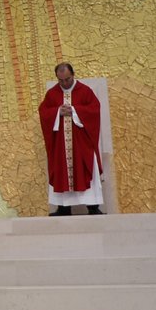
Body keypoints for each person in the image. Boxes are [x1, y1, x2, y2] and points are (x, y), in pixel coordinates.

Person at [38, 63, 104, 215]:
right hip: (61, 146)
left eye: (67, 79)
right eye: (61, 80)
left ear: (73, 75)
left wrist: (74, 110)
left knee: (86, 170)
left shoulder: (85, 91)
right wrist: (57, 112)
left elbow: (94, 110)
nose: (64, 83)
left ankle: (93, 207)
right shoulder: (52, 93)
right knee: (62, 171)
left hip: (82, 145)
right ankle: (63, 208)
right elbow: (43, 112)